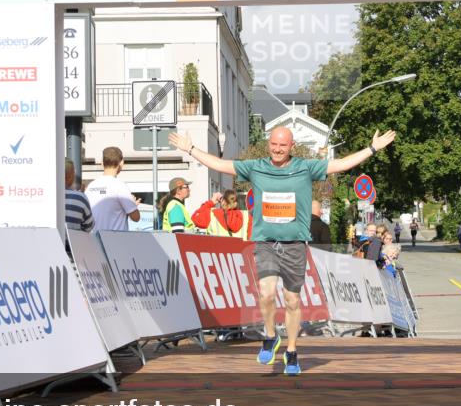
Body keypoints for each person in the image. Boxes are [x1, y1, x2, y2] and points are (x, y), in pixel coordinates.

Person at [169, 124, 396, 375]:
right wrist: (190, 149)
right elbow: (220, 165)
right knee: (266, 294)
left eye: (282, 145)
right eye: (274, 144)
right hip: (266, 242)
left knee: (292, 300)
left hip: (295, 245)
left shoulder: (305, 167)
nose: (277, 150)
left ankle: (291, 351)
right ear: (269, 144)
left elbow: (341, 164)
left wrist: (372, 148)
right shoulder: (256, 166)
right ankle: (269, 335)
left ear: (292, 146)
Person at [86, 146, 140, 231]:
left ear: (102, 163)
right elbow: (136, 218)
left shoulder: (90, 187)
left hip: (94, 240)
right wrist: (132, 205)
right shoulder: (120, 186)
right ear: (121, 163)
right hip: (114, 241)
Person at [62, 159, 94, 239]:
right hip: (71, 248)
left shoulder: (43, 196)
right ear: (70, 177)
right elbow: (89, 226)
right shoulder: (80, 198)